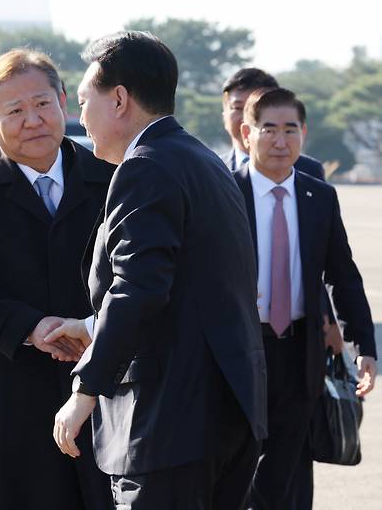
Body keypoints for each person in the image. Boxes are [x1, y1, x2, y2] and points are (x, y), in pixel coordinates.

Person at [49, 31, 267, 509]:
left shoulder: (144, 167)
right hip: (223, 413)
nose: (78, 117)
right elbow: (189, 287)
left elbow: (138, 290)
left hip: (167, 424)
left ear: (120, 100)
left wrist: (85, 389)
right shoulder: (203, 160)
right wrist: (90, 327)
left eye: (85, 101)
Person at [0, 49, 114, 510]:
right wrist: (34, 328)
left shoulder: (112, 180)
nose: (32, 120)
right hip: (4, 381)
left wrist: (94, 329)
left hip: (96, 379)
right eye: (14, 111)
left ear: (64, 104)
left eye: (42, 104)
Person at [233, 87, 377, 509]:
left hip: (300, 353)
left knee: (287, 467)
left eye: (290, 130)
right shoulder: (225, 193)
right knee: (240, 464)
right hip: (240, 352)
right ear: (247, 133)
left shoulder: (319, 197)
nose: (281, 141)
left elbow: (343, 277)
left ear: (304, 133)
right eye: (269, 130)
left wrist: (363, 346)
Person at [221, 67, 324, 180]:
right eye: (238, 108)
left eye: (257, 110)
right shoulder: (212, 170)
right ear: (224, 114)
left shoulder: (310, 170)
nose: (247, 117)